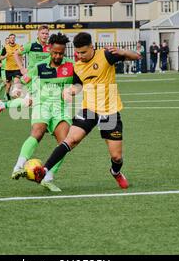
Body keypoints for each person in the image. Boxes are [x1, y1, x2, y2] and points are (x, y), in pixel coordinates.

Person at [17, 32, 140, 190]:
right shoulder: (78, 66)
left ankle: (115, 172)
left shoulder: (107, 55)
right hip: (89, 110)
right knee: (70, 140)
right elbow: (78, 84)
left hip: (110, 112)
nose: (79, 56)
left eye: (83, 52)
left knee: (116, 156)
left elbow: (136, 56)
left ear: (91, 47)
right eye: (77, 53)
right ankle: (45, 170)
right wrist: (71, 90)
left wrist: (123, 52)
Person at [0, 33, 74, 192]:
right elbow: (23, 80)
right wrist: (17, 89)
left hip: (61, 108)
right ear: (50, 50)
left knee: (65, 142)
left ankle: (48, 177)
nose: (58, 56)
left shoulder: (71, 66)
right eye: (55, 52)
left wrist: (72, 90)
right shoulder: (40, 67)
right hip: (42, 104)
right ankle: (18, 166)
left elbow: (80, 83)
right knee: (38, 131)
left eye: (61, 53)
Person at [0, 34, 21, 100]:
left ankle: (16, 95)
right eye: (11, 38)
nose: (12, 39)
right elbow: (1, 57)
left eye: (13, 38)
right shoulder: (5, 47)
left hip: (17, 68)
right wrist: (5, 56)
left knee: (16, 82)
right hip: (8, 69)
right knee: (8, 86)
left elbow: (21, 55)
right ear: (9, 39)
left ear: (15, 39)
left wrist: (21, 62)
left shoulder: (18, 46)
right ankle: (8, 95)